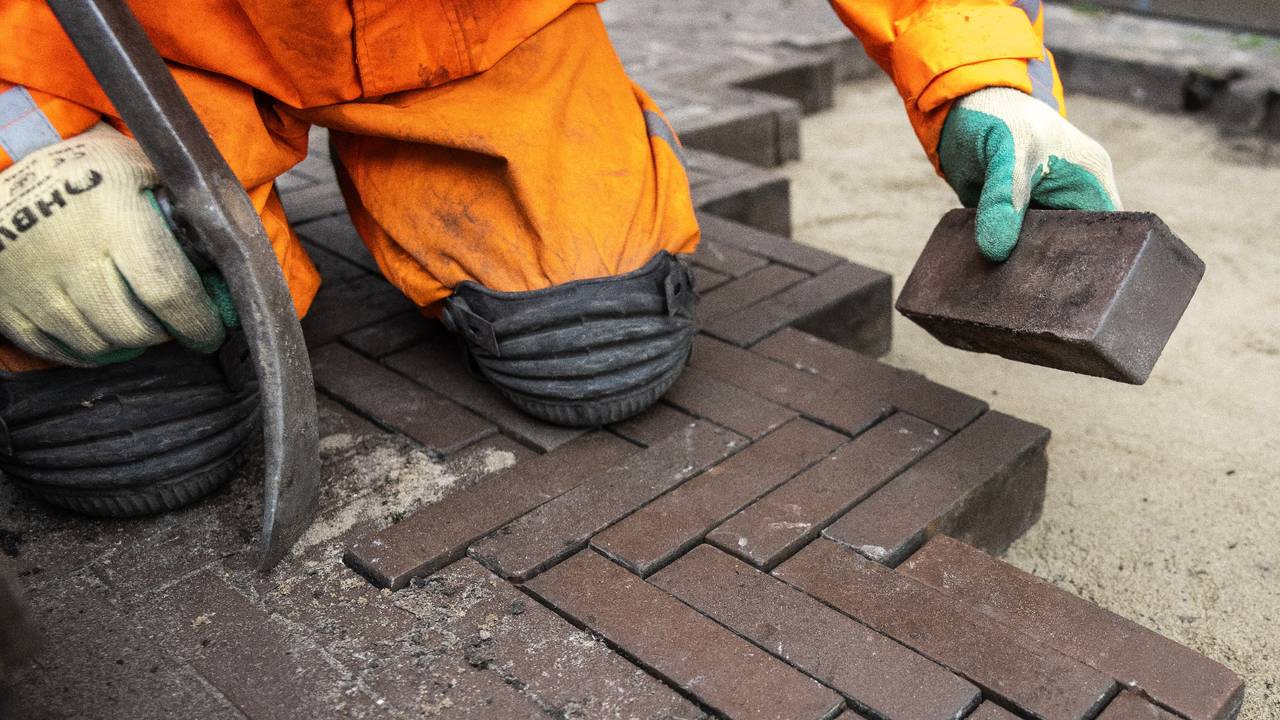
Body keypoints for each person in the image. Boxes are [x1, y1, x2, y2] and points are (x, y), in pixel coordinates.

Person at [0, 0, 1120, 515]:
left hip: (470, 33)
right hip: (136, 53)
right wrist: (13, 163)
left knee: (596, 347)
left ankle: (461, 168)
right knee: (116, 423)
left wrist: (982, 76)